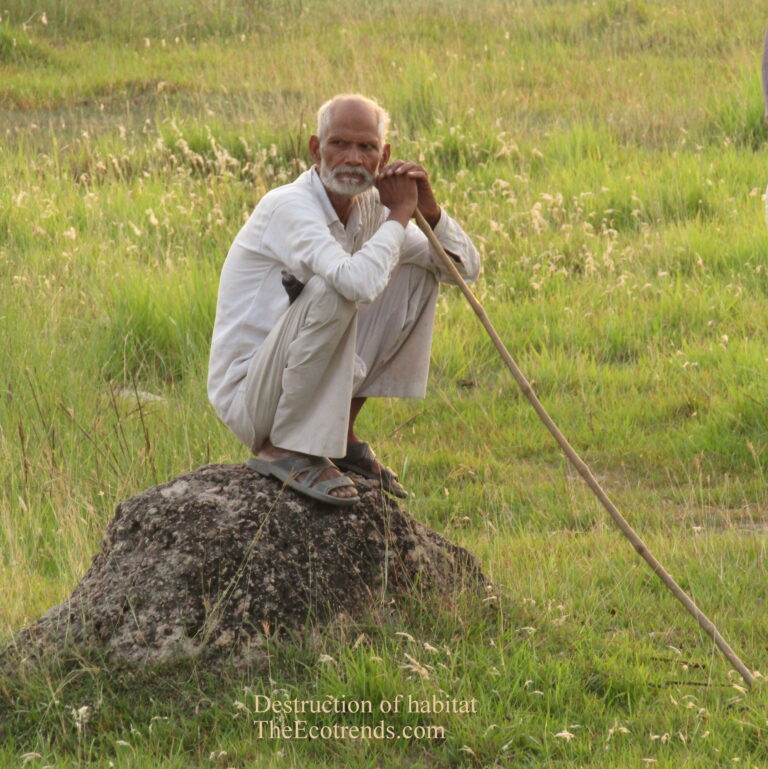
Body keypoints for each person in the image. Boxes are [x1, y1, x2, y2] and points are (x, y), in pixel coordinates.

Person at [207, 94, 480, 506]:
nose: (352, 158)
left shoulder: (373, 207)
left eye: (366, 147)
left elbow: (462, 270)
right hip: (252, 399)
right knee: (337, 285)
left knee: (420, 273)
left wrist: (430, 211)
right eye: (339, 144)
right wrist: (401, 214)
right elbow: (357, 284)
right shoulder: (289, 206)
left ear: (383, 155)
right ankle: (285, 449)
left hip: (296, 376)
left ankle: (340, 437)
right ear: (316, 149)